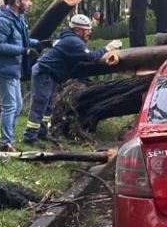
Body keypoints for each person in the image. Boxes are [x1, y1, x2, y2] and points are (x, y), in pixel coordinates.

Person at [22, 14, 121, 146]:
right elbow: (90, 57)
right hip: (44, 73)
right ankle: (30, 138)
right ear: (78, 31)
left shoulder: (69, 38)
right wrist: (107, 48)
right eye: (87, 30)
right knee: (40, 105)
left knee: (48, 106)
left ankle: (42, 133)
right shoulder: (73, 42)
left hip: (50, 74)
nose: (89, 33)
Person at [0, 0, 39, 152]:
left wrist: (39, 43)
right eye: (27, 0)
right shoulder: (2, 21)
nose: (29, 3)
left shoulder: (17, 18)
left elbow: (21, 39)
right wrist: (23, 51)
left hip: (13, 68)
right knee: (10, 105)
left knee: (17, 105)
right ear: (17, 2)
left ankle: (8, 139)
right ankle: (5, 143)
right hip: (3, 69)